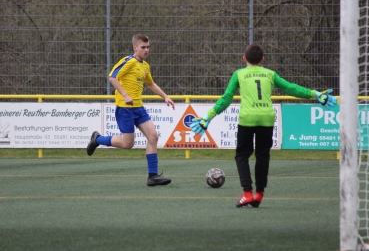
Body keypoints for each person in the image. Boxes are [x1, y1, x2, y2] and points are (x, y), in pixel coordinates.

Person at [191, 43, 337, 208]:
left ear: (244, 58)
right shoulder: (270, 74)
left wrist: (209, 117)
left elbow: (227, 98)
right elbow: (291, 88)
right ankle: (259, 194)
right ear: (263, 59)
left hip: (247, 119)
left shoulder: (239, 74)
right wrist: (314, 94)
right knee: (263, 156)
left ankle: (247, 193)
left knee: (242, 156)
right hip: (267, 119)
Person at [87, 34, 175, 187]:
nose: (146, 50)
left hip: (138, 108)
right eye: (143, 47)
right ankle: (97, 139)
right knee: (128, 144)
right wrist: (125, 94)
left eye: (148, 47)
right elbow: (112, 77)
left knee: (153, 136)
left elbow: (151, 84)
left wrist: (165, 96)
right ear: (135, 48)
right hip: (125, 109)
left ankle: (152, 176)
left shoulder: (145, 66)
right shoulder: (128, 62)